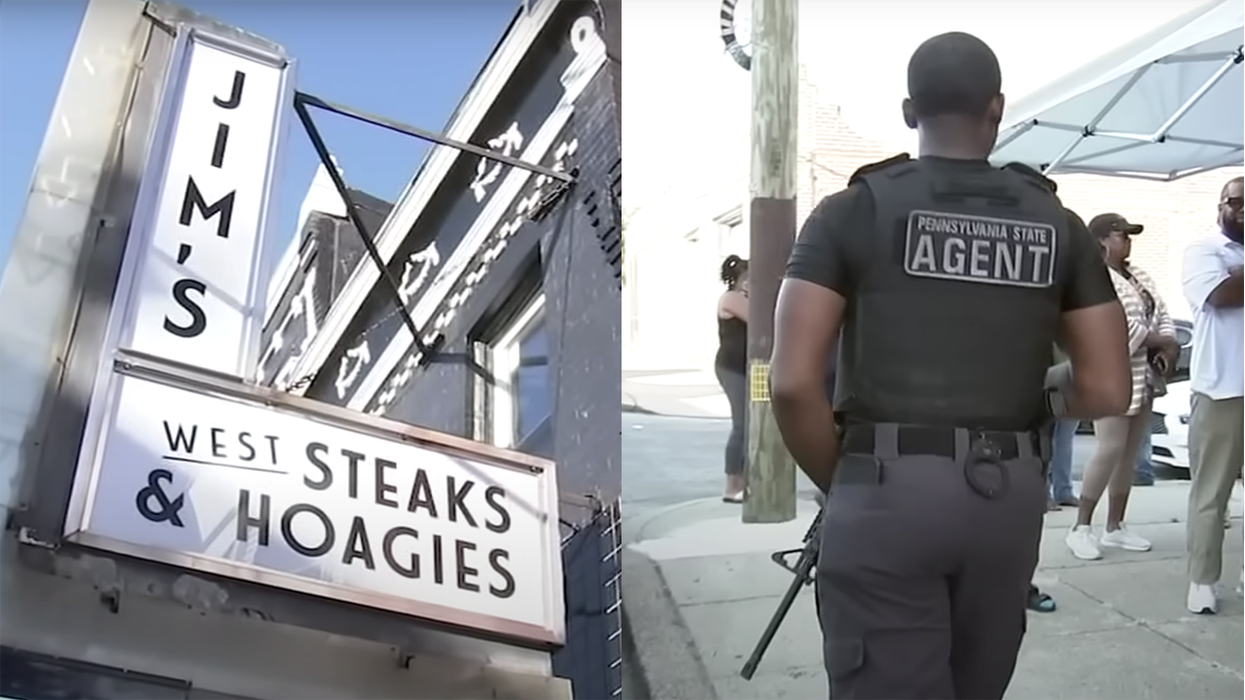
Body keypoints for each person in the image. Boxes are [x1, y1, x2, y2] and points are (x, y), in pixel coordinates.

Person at [768, 31, 1130, 700]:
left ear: (910, 112)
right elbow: (1107, 386)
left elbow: (789, 382)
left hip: (884, 488)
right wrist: (1040, 395)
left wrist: (845, 483)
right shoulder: (1057, 223)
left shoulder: (851, 211)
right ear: (997, 108)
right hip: (1007, 492)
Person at [1064, 214, 1178, 561]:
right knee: (1109, 448)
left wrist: (1167, 342)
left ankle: (1115, 526)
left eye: (1129, 236)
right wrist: (1160, 341)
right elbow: (1118, 329)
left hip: (1143, 377)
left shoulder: (1138, 275)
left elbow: (1161, 312)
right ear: (1100, 240)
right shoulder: (1093, 278)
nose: (1127, 241)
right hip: (1110, 375)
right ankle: (1080, 527)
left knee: (1128, 454)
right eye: (1121, 235)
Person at [1180, 175, 1245, 615]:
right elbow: (1221, 295)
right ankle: (1202, 580)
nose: (1244, 209)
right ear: (1220, 206)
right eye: (1237, 201)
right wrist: (1233, 279)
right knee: (1212, 492)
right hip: (1222, 389)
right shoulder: (1203, 250)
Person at [714, 254, 750, 503]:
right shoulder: (731, 298)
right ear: (738, 279)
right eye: (749, 278)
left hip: (745, 368)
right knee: (741, 425)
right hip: (732, 368)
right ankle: (732, 485)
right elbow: (760, 318)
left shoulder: (742, 297)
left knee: (749, 424)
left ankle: (744, 481)